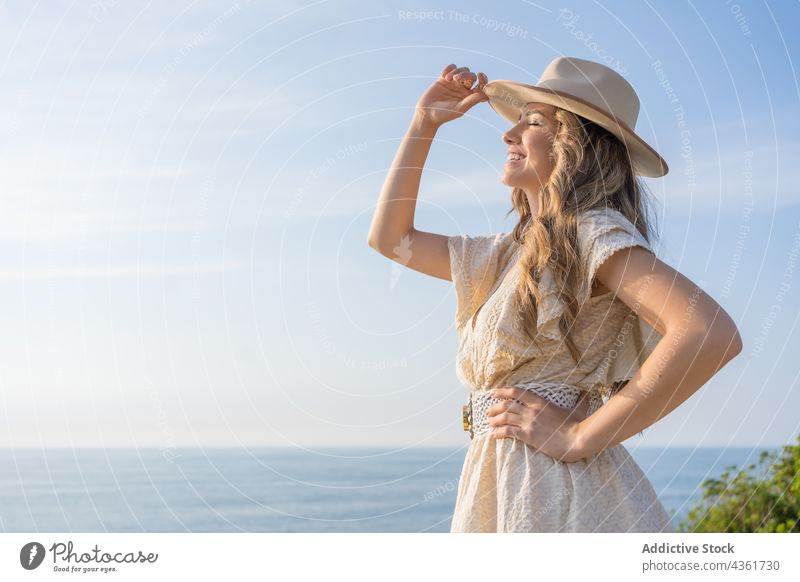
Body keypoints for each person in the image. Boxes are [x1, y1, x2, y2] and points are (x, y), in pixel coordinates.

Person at [367, 57, 742, 532]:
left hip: (556, 492)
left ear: (576, 147)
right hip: (503, 481)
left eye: (534, 121)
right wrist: (423, 123)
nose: (510, 135)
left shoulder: (593, 232)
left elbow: (709, 332)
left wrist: (581, 436)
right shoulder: (505, 255)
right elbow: (390, 239)